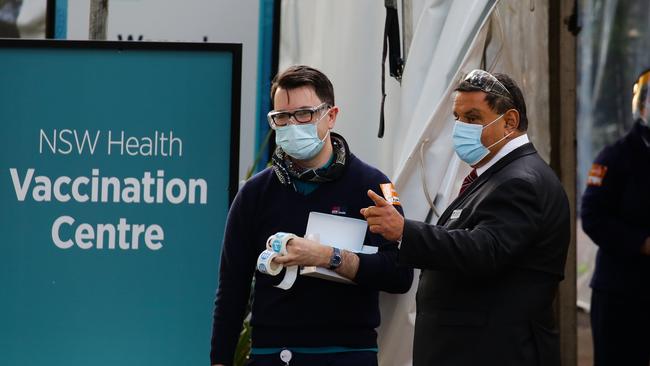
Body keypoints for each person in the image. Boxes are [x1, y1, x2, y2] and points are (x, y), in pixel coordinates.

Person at [361, 69, 570, 366]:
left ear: (509, 121)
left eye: (472, 118)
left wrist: (405, 231)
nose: (461, 128)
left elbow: (484, 250)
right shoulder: (496, 176)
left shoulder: (520, 181)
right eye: (457, 118)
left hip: (493, 350)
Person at [210, 65, 413, 366]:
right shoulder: (254, 194)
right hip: (273, 355)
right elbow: (231, 290)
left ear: (330, 116)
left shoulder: (372, 187)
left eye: (304, 114)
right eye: (282, 117)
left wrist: (328, 257)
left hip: (347, 354)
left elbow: (399, 274)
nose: (292, 125)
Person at [581, 68, 650, 366]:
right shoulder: (615, 157)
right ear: (642, 105)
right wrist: (642, 243)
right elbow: (593, 217)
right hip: (621, 293)